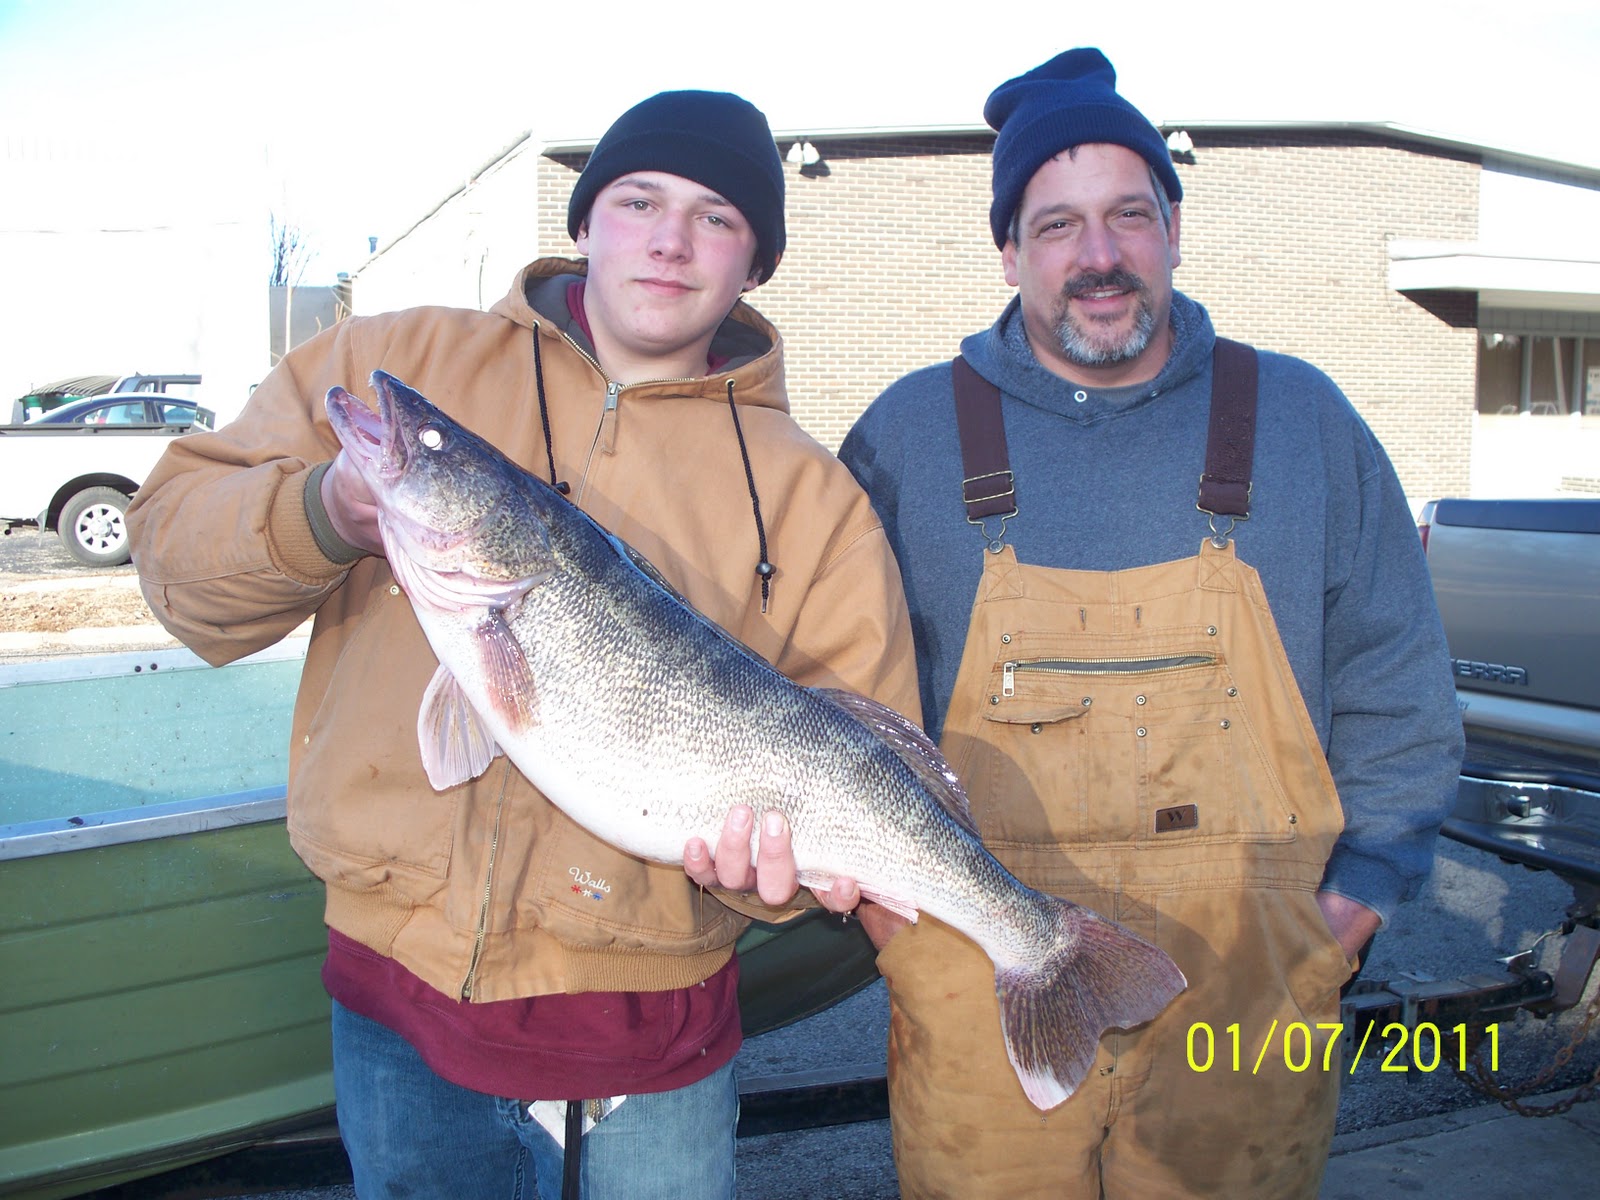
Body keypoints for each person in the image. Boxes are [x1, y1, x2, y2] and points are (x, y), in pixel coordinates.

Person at [127, 89, 918, 1200]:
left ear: (755, 264)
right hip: (398, 995)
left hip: (647, 1027)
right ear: (584, 222)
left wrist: (777, 883)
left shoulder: (812, 496)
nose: (668, 237)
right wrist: (325, 512)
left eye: (716, 217)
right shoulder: (393, 360)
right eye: (637, 199)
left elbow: (858, 745)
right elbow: (176, 564)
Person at [836, 48, 1465, 1199]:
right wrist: (891, 923)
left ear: (1173, 230)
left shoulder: (1302, 423)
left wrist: (1355, 899)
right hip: (978, 979)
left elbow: (1397, 676)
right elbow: (827, 695)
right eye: (1059, 223)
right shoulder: (906, 438)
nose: (1099, 257)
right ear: (1009, 248)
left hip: (1249, 984)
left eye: (1130, 214)